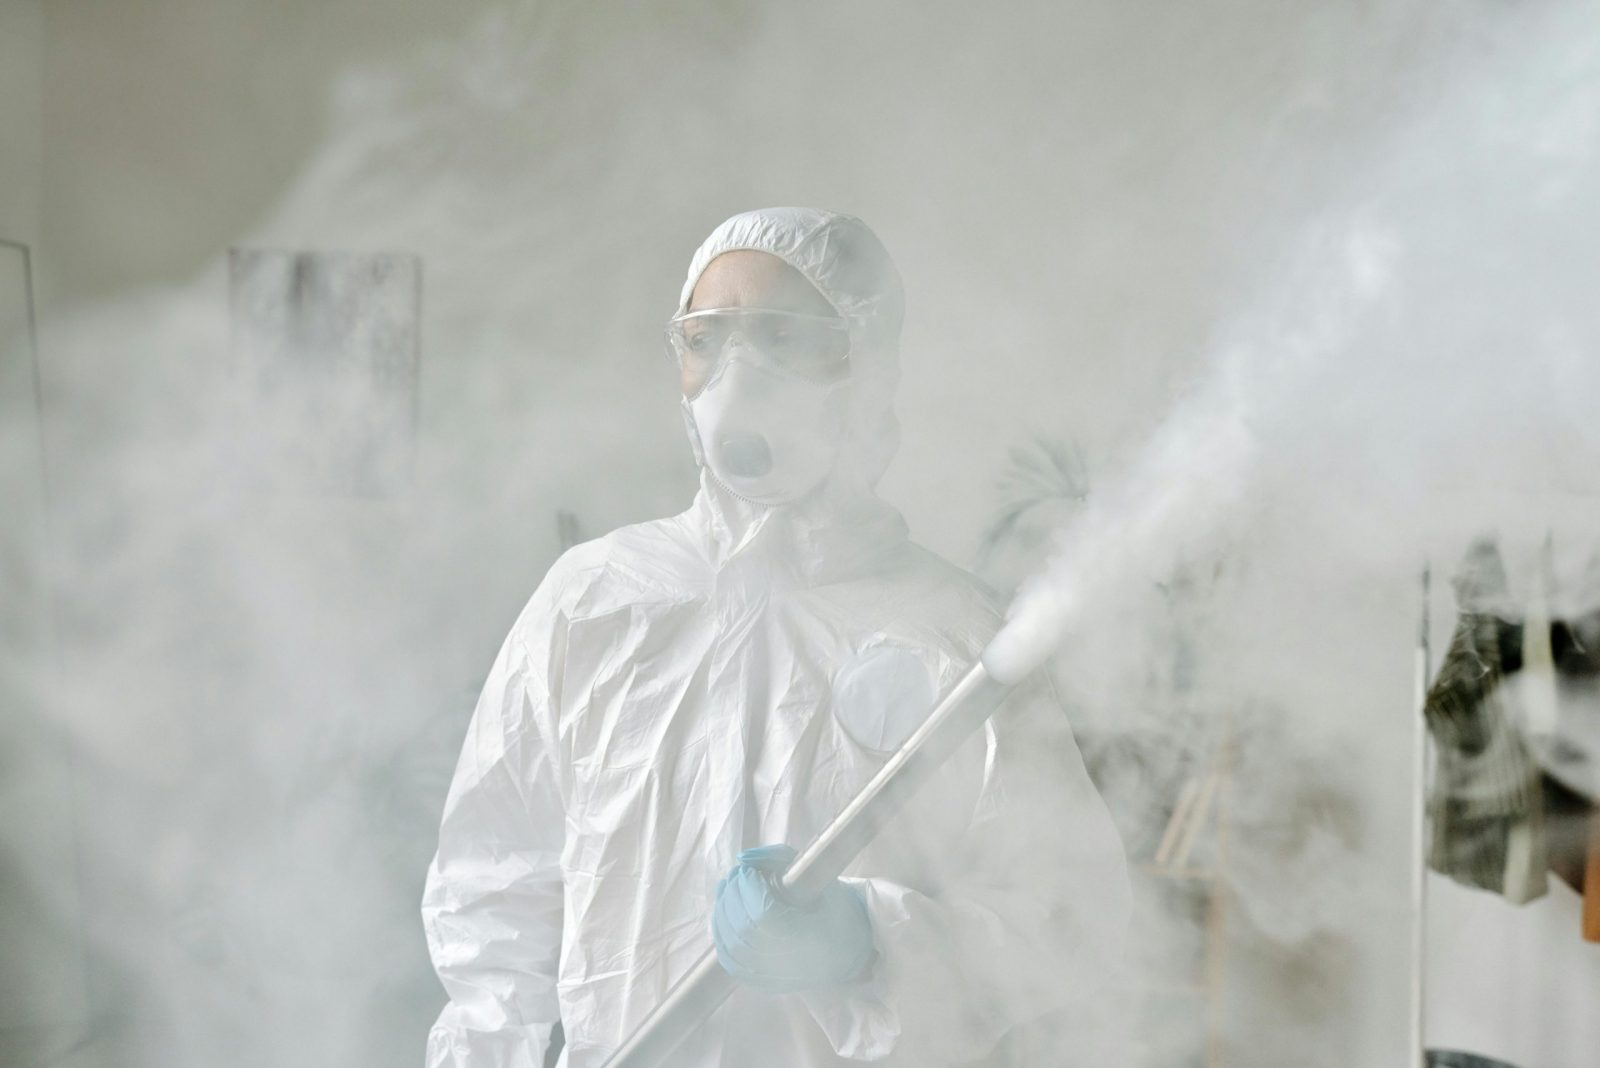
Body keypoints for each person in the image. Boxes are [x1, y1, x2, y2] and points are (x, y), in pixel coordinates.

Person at [421, 207, 1129, 1067]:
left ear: (866, 365)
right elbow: (492, 894)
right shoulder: (594, 602)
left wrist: (868, 940)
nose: (738, 373)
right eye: (706, 337)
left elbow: (1068, 925)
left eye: (784, 337)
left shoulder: (957, 634)